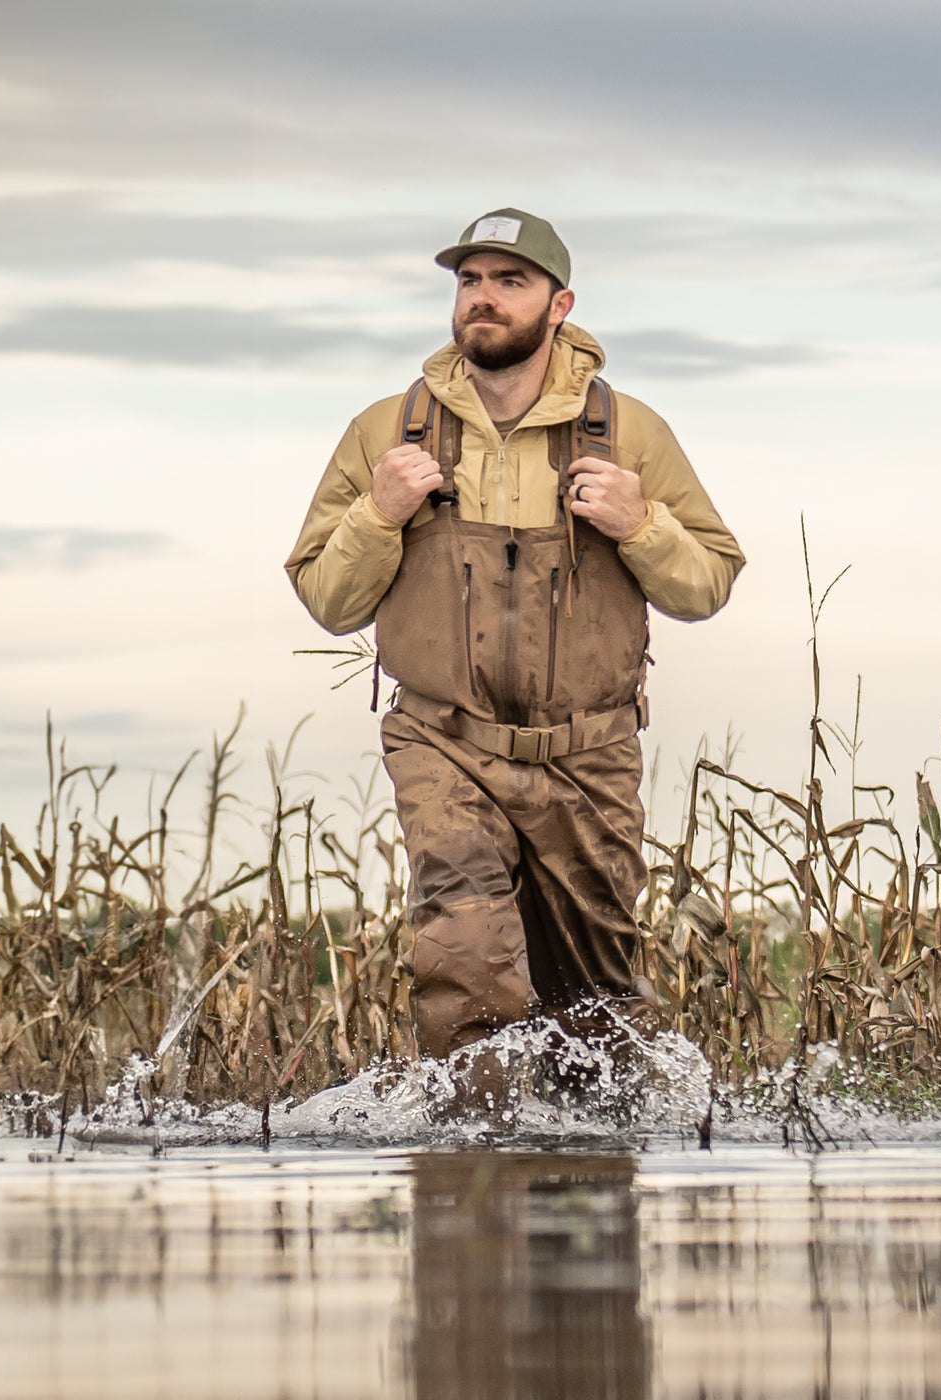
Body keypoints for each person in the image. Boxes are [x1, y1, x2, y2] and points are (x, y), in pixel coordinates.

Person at [285, 208, 744, 1062]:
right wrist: (378, 514)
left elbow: (708, 581)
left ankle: (593, 1174)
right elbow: (327, 598)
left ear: (560, 304)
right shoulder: (385, 433)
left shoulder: (628, 432)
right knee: (463, 945)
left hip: (589, 757)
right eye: (469, 281)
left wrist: (641, 523)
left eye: (509, 281)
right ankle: (474, 1167)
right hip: (444, 744)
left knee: (597, 1008)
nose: (483, 300)